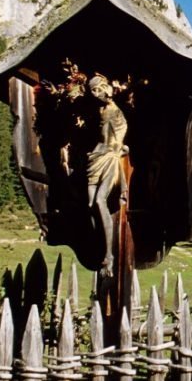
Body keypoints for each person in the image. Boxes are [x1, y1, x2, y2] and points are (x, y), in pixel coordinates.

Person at [86, 74, 128, 277]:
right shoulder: (101, 110)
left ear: (105, 88)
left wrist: (119, 148)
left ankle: (108, 255)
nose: (95, 94)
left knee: (100, 201)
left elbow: (119, 134)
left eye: (97, 89)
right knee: (91, 204)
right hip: (96, 158)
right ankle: (98, 246)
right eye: (92, 91)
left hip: (109, 157)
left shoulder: (114, 111)